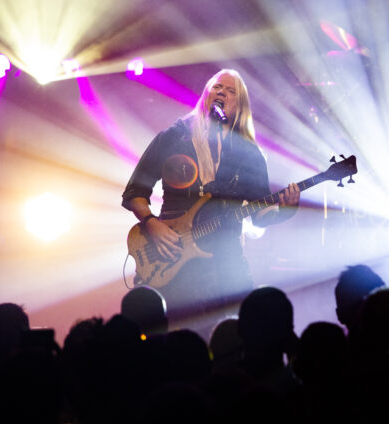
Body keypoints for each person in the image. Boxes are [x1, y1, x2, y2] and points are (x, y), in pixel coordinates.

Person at [122, 69, 300, 324]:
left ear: (239, 105)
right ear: (206, 94)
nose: (222, 92)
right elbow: (135, 192)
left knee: (239, 328)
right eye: (217, 87)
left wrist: (285, 211)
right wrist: (151, 224)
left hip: (227, 262)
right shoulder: (174, 137)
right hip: (175, 258)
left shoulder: (249, 154)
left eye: (230, 91)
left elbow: (259, 215)